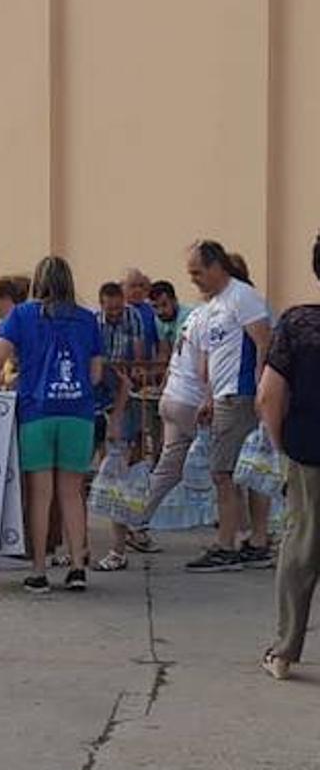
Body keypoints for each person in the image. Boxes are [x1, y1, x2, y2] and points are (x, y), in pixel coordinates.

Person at [0, 256, 103, 594]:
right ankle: (78, 565)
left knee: (39, 494)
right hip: (78, 413)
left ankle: (38, 570)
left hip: (37, 412)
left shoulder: (22, 315)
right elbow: (95, 373)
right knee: (72, 493)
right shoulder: (88, 319)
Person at [96, 303, 209, 570]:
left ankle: (135, 519)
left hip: (173, 396)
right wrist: (210, 396)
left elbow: (173, 359)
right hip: (193, 400)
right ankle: (239, 536)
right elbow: (207, 366)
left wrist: (165, 385)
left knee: (168, 468)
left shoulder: (193, 317)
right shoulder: (218, 318)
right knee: (225, 470)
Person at [186, 240, 274, 572]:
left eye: (197, 272)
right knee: (242, 471)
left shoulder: (242, 296)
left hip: (241, 395)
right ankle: (256, 541)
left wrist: (261, 391)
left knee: (223, 472)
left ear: (215, 266)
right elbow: (213, 357)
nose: (194, 279)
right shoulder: (214, 305)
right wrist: (208, 396)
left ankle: (228, 544)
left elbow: (263, 341)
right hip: (223, 396)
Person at [258, 234, 320, 681]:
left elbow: (267, 396)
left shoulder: (298, 324)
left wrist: (282, 445)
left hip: (310, 447)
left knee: (301, 545)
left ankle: (284, 651)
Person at [97, 282, 145, 363]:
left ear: (123, 301)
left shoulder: (133, 315)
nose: (114, 313)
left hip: (127, 366)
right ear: (101, 305)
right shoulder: (96, 322)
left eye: (118, 308)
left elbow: (138, 351)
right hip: (105, 367)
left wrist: (136, 367)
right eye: (110, 309)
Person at [122, 268, 161, 361]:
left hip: (145, 366)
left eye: (141, 286)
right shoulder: (116, 310)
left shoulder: (152, 311)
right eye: (133, 286)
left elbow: (159, 341)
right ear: (122, 288)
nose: (138, 290)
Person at [149, 280, 193, 352]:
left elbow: (182, 350)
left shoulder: (188, 316)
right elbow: (164, 351)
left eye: (164, 305)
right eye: (155, 307)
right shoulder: (159, 319)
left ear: (174, 301)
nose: (160, 311)